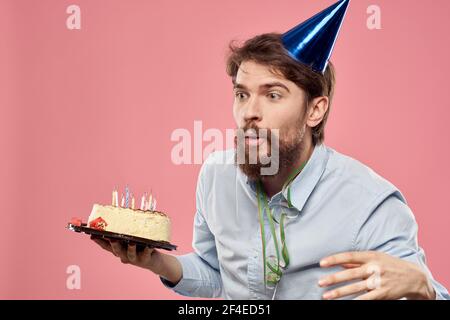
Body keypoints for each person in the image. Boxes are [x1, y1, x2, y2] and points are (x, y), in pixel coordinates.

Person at [91, 0, 449, 300]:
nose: (249, 112)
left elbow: (415, 285)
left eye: (273, 95)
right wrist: (157, 263)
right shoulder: (217, 176)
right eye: (242, 94)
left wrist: (424, 289)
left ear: (315, 110)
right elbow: (218, 277)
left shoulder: (370, 204)